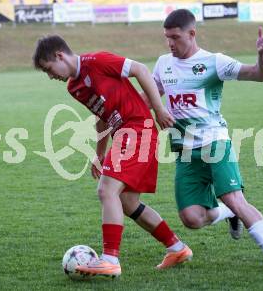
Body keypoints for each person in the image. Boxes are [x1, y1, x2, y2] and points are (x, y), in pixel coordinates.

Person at [32, 35, 193, 278]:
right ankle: (177, 248)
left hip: (138, 128)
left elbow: (140, 69)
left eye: (48, 69)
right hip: (123, 134)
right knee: (127, 203)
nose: (51, 76)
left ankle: (109, 260)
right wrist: (99, 154)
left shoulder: (97, 61)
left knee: (106, 191)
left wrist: (159, 109)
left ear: (59, 56)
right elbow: (102, 116)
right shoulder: (74, 87)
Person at [152, 9, 263, 276]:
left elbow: (258, 75)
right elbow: (150, 98)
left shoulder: (213, 62)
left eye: (175, 37)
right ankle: (228, 213)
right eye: (166, 37)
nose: (170, 43)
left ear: (192, 34)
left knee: (235, 198)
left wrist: (261, 56)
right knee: (191, 218)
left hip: (215, 143)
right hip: (184, 150)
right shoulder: (162, 64)